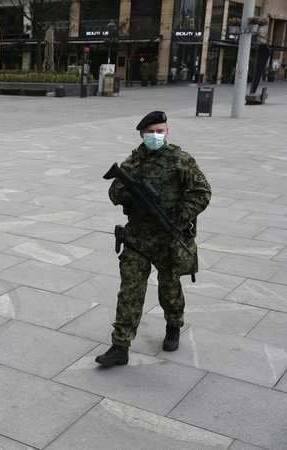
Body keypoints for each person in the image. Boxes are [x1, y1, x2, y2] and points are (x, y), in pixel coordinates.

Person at [95, 111, 211, 367]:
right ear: (142, 134)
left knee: (169, 289)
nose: (156, 135)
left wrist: (180, 214)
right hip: (137, 240)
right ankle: (120, 346)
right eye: (151, 132)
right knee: (130, 291)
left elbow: (202, 192)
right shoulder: (132, 162)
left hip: (169, 239)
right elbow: (114, 190)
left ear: (167, 132)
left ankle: (173, 326)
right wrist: (125, 196)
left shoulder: (181, 160)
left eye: (160, 131)